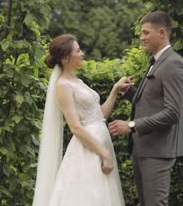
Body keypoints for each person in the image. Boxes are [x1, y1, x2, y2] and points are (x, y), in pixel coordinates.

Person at [33, 34, 131, 206]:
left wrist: (115, 90)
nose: (82, 53)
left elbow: (99, 116)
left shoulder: (78, 81)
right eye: (78, 51)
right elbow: (76, 127)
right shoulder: (63, 85)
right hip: (88, 149)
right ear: (65, 58)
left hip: (100, 144)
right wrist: (103, 153)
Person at [108, 11, 183, 206]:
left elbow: (172, 113)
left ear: (161, 32)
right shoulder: (156, 61)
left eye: (145, 33)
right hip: (144, 148)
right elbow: (151, 103)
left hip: (158, 151)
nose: (141, 37)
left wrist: (131, 125)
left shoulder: (173, 64)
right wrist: (129, 92)